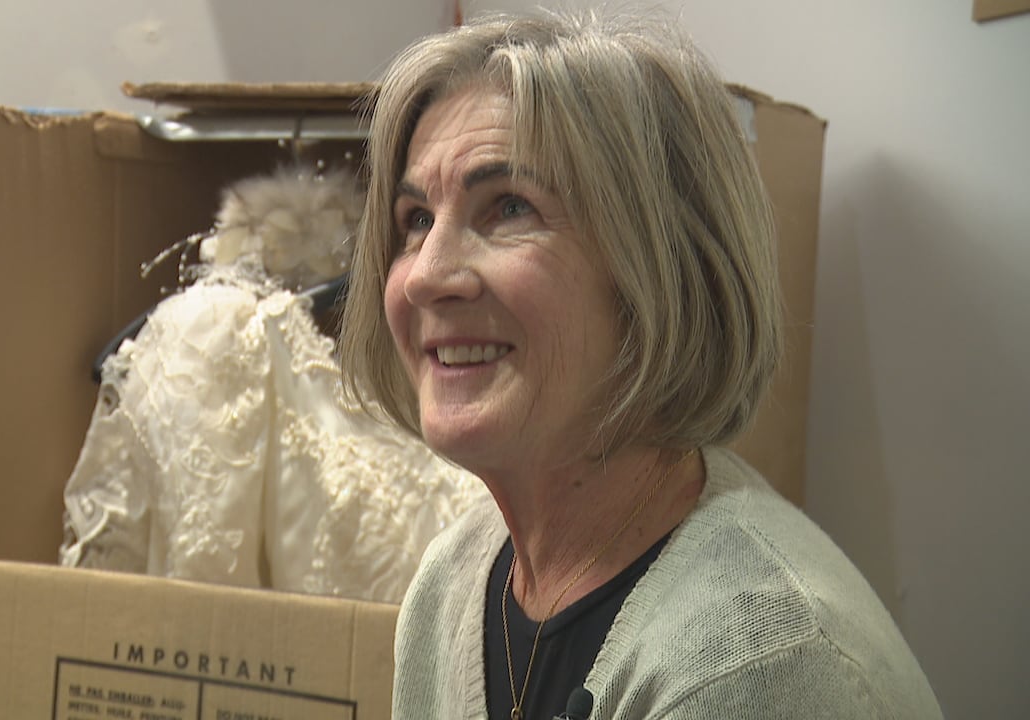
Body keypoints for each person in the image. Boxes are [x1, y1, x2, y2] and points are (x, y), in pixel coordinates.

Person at [338, 10, 943, 720]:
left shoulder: (757, 665)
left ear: (659, 272)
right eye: (415, 219)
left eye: (507, 206)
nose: (424, 275)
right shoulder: (452, 586)